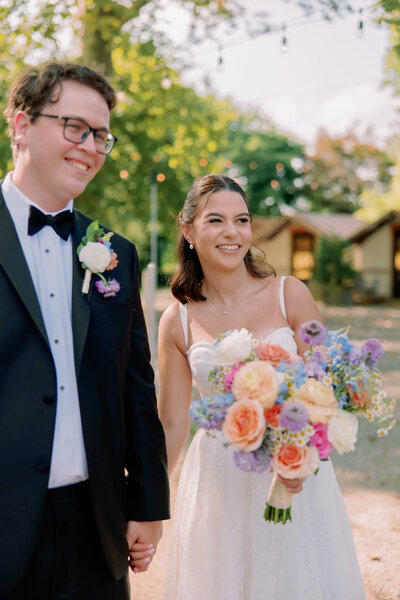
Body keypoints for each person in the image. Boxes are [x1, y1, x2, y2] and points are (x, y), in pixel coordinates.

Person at [0, 62, 169, 599]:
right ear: (22, 126)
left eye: (101, 135)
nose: (91, 147)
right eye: (76, 127)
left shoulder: (115, 253)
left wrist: (147, 506)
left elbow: (135, 387)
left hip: (97, 526)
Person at [158, 173, 366, 600]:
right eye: (215, 220)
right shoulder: (175, 321)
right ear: (188, 230)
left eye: (242, 220)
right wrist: (145, 502)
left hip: (292, 472)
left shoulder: (290, 294)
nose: (232, 232)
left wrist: (304, 452)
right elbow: (172, 423)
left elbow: (328, 389)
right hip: (219, 480)